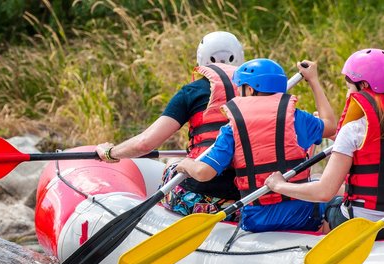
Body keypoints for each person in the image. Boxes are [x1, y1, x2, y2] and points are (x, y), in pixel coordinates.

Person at [175, 58, 337, 232]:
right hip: (303, 215)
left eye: (240, 88)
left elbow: (203, 173)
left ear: (250, 89)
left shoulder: (232, 127)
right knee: (333, 201)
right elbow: (329, 125)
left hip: (257, 219)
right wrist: (313, 80)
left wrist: (186, 163)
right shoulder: (297, 118)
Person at [96, 31, 244, 216]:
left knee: (172, 165)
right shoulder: (259, 92)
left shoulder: (192, 92)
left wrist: (110, 153)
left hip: (201, 196)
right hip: (249, 197)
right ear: (240, 57)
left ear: (202, 59)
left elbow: (145, 144)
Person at [265, 49, 384, 233]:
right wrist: (334, 136)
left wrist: (279, 185)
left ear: (364, 85)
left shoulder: (353, 130)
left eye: (348, 87)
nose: (347, 93)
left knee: (330, 205)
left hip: (364, 225)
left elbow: (324, 192)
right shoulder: (355, 132)